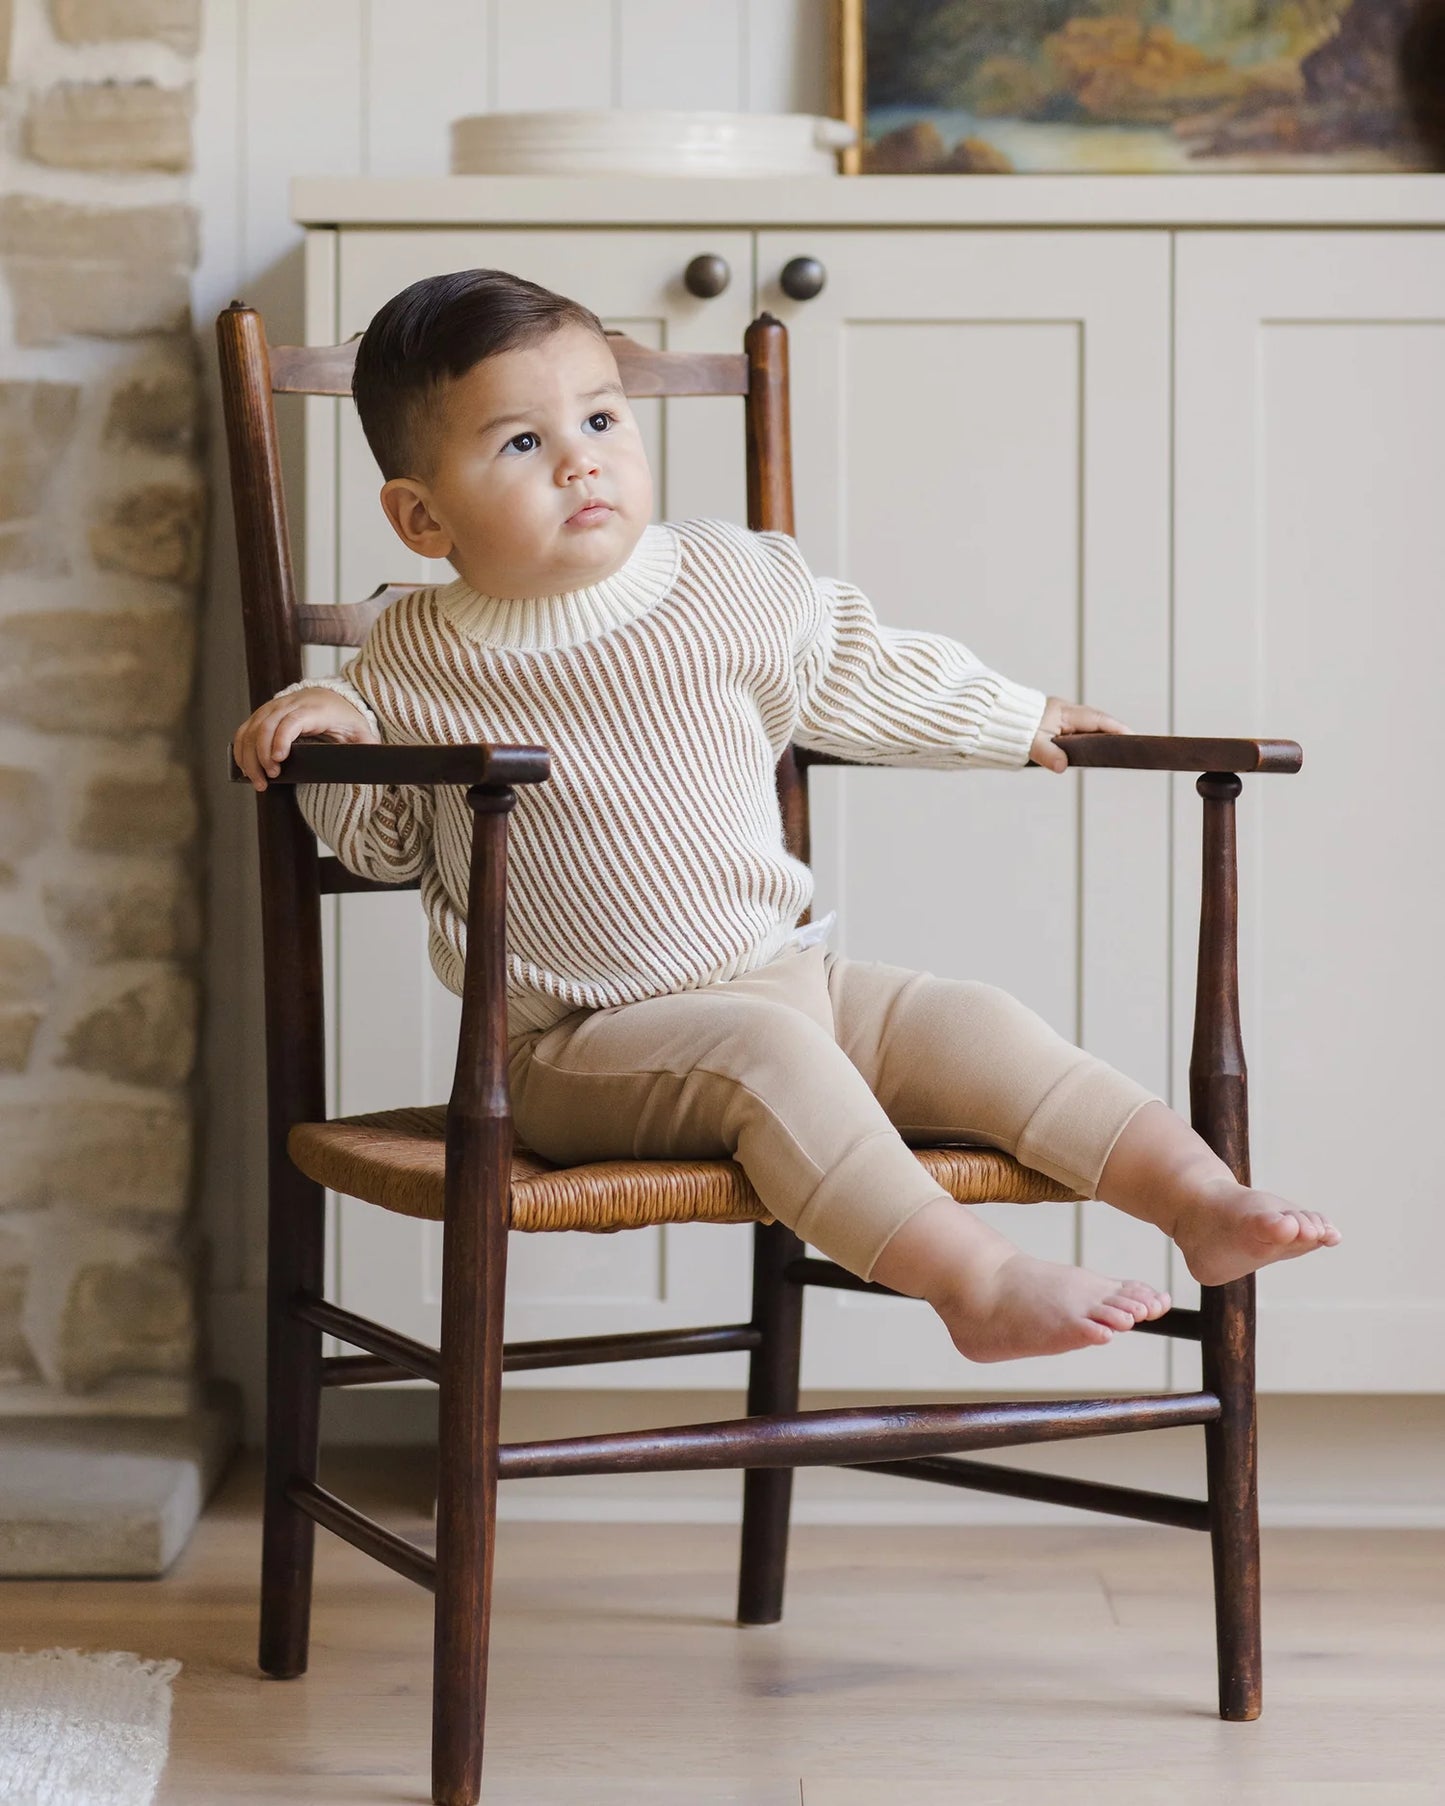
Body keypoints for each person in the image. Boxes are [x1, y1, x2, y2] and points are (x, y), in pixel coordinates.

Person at [231, 269, 1340, 1364]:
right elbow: (377, 840)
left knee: (972, 1020)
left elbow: (857, 667)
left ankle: (1194, 1197)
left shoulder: (727, 579)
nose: (581, 458)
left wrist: (1013, 715)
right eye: (521, 443)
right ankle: (975, 1282)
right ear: (422, 516)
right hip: (572, 1049)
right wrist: (326, 725)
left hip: (783, 973)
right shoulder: (413, 656)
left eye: (602, 416)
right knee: (764, 1054)